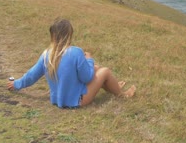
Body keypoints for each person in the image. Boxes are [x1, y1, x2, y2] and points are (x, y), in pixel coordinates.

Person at [7, 18, 136, 108]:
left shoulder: (47, 54)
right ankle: (122, 95)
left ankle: (113, 86)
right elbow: (86, 77)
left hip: (57, 100)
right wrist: (89, 59)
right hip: (77, 101)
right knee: (105, 71)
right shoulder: (76, 52)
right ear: (69, 35)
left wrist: (16, 84)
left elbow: (32, 75)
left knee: (96, 69)